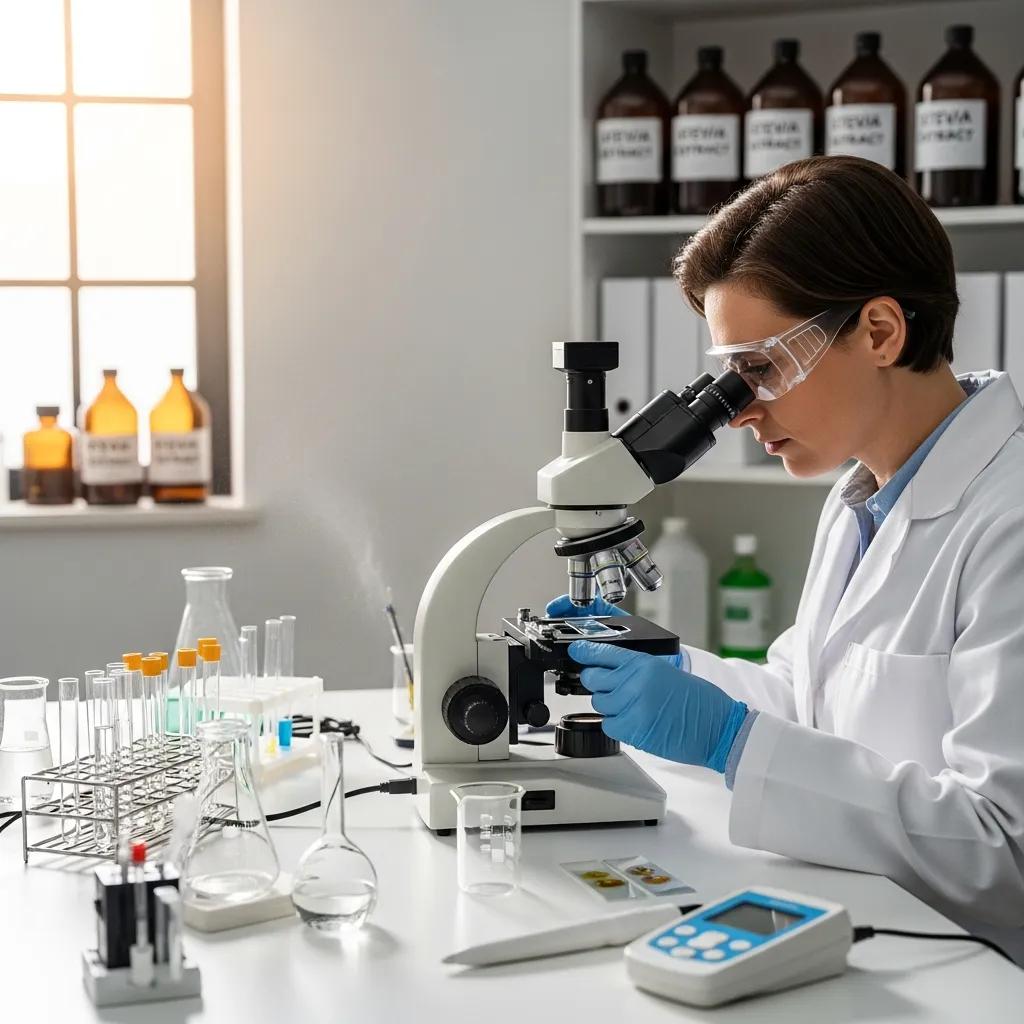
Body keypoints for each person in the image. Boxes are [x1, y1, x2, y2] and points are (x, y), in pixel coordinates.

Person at [554, 156, 1024, 964]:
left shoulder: (1009, 518)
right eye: (731, 377)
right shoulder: (860, 501)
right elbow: (809, 704)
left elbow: (1005, 850)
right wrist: (659, 666)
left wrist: (731, 741)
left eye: (759, 369)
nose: (738, 413)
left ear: (880, 331)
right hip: (873, 935)